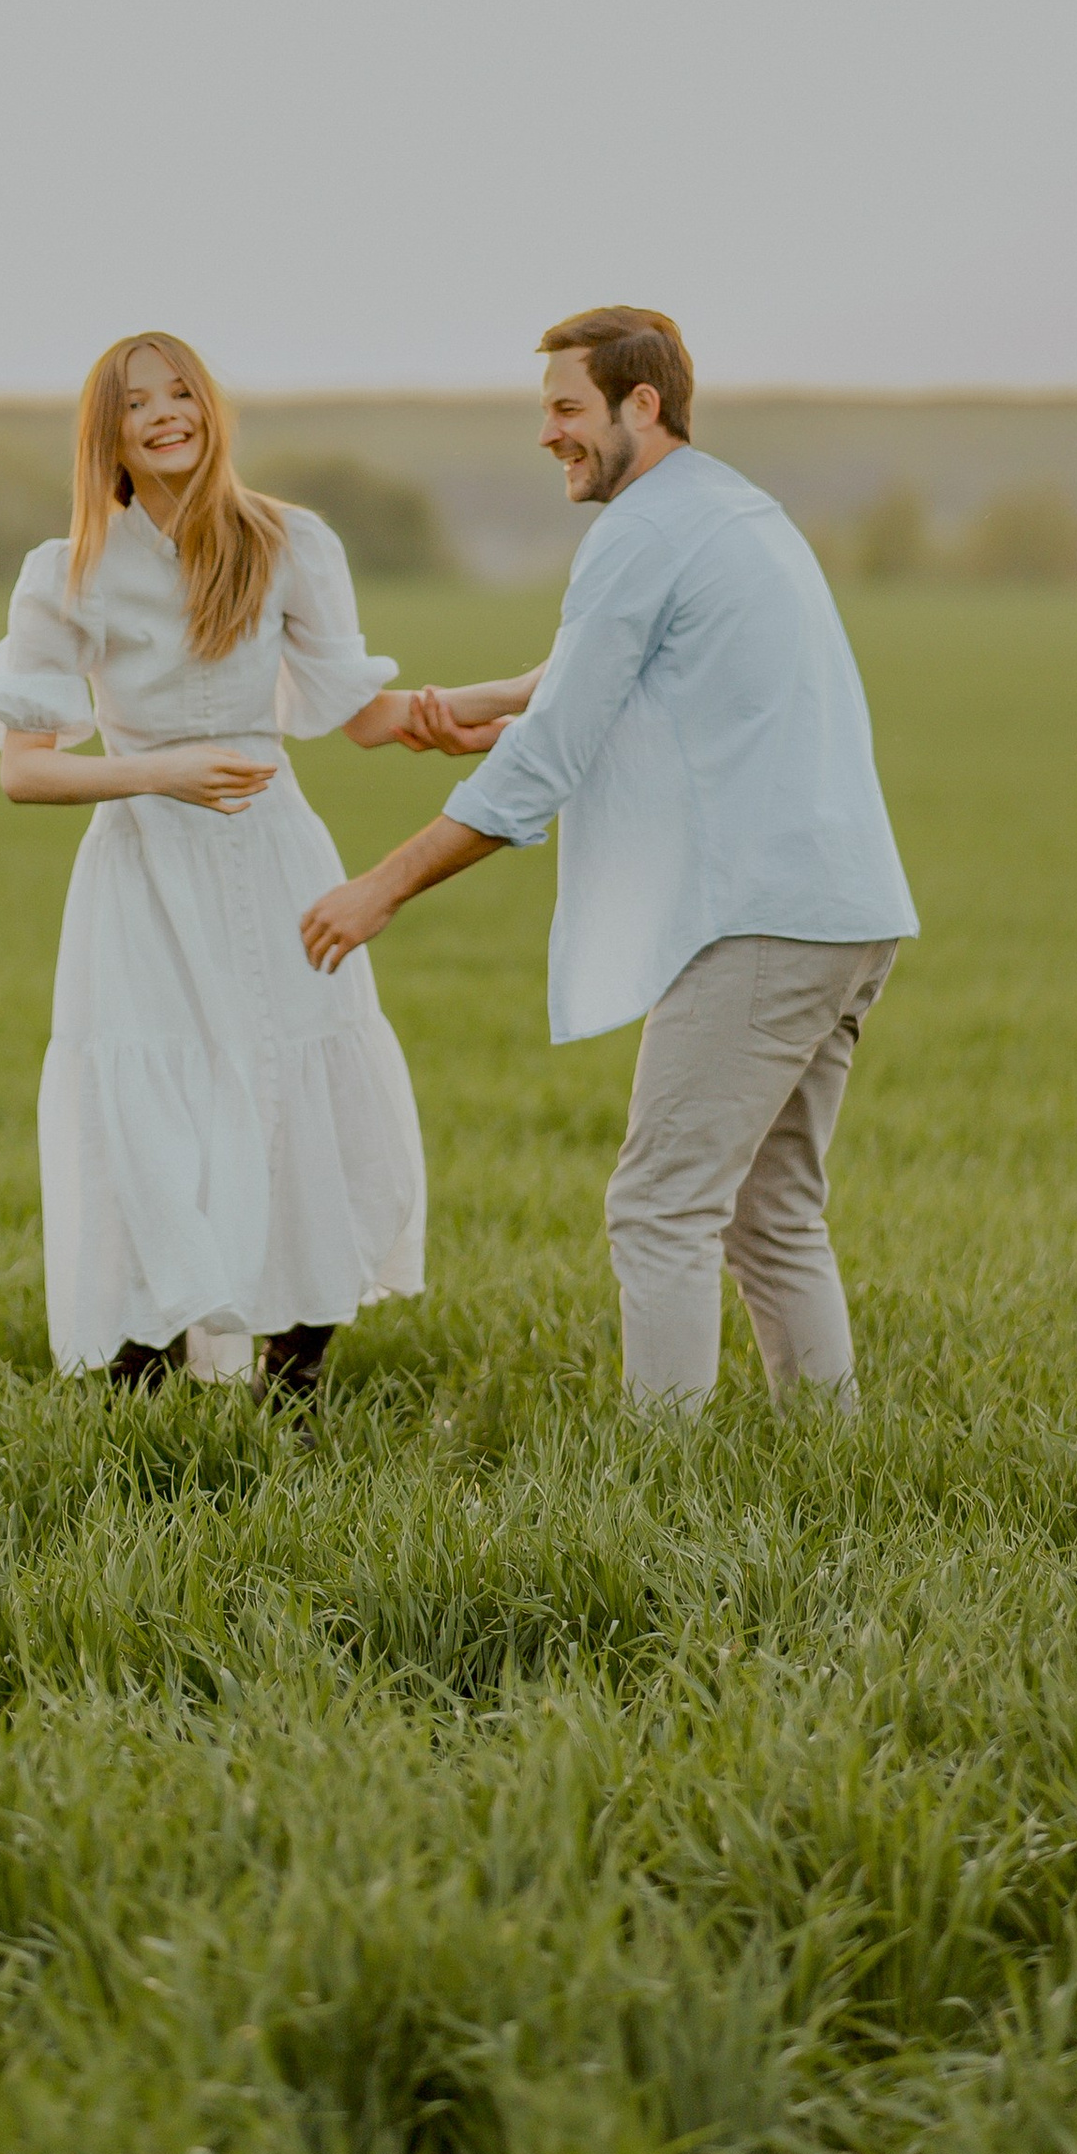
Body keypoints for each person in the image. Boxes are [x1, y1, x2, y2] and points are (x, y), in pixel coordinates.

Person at [302, 307, 915, 1409]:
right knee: (772, 1215)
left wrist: (379, 887)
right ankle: (834, 1461)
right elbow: (592, 668)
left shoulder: (642, 531)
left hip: (758, 918)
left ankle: (660, 1479)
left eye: (566, 408)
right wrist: (463, 711)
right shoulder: (733, 509)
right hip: (844, 907)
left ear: (643, 402)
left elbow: (545, 762)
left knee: (659, 1209)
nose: (548, 434)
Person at [0, 333, 428, 1415]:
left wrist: (514, 701)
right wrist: (158, 771)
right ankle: (143, 1391)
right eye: (139, 402)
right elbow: (24, 772)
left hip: (276, 856)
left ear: (210, 409)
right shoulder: (68, 572)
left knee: (301, 1091)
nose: (166, 413)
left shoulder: (286, 540)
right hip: (143, 872)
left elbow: (362, 713)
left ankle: (293, 1387)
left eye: (182, 393)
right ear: (109, 433)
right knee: (149, 1115)